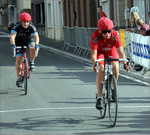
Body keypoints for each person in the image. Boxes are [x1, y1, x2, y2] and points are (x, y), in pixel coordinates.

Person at [91, 17, 130, 109]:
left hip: (111, 51)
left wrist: (125, 64)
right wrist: (95, 64)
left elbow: (120, 52)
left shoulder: (115, 35)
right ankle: (99, 97)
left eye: (109, 31)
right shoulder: (95, 36)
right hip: (100, 52)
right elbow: (93, 54)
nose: (107, 34)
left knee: (116, 65)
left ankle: (113, 87)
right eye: (104, 32)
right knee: (101, 68)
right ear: (100, 31)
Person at [10, 12, 40, 87]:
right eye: (24, 22)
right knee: (19, 58)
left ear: (29, 22)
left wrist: (36, 45)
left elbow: (36, 37)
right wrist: (13, 45)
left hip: (29, 40)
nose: (26, 24)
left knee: (33, 47)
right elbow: (12, 36)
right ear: (21, 22)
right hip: (19, 42)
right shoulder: (17, 26)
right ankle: (19, 77)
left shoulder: (31, 26)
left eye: (27, 22)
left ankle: (32, 62)